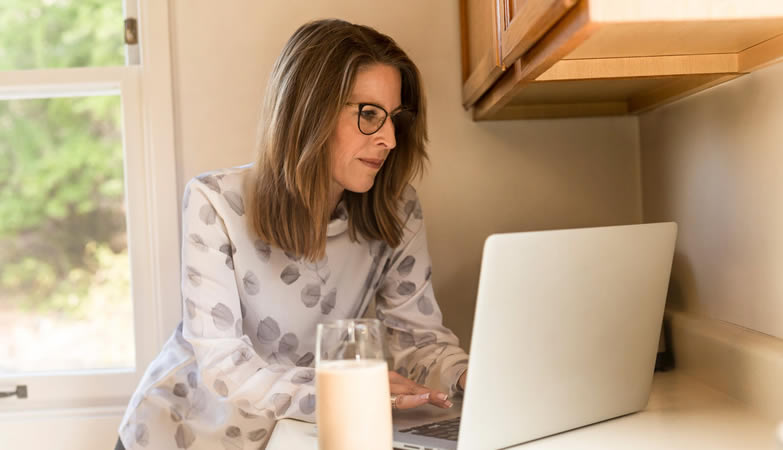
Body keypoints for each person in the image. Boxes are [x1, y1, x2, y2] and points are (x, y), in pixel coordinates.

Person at [116, 18, 469, 450]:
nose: (391, 139)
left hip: (289, 437)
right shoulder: (215, 202)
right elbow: (224, 368)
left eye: (394, 118)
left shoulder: (397, 209)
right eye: (370, 115)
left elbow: (419, 342)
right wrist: (353, 392)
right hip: (177, 438)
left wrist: (466, 374)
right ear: (309, 112)